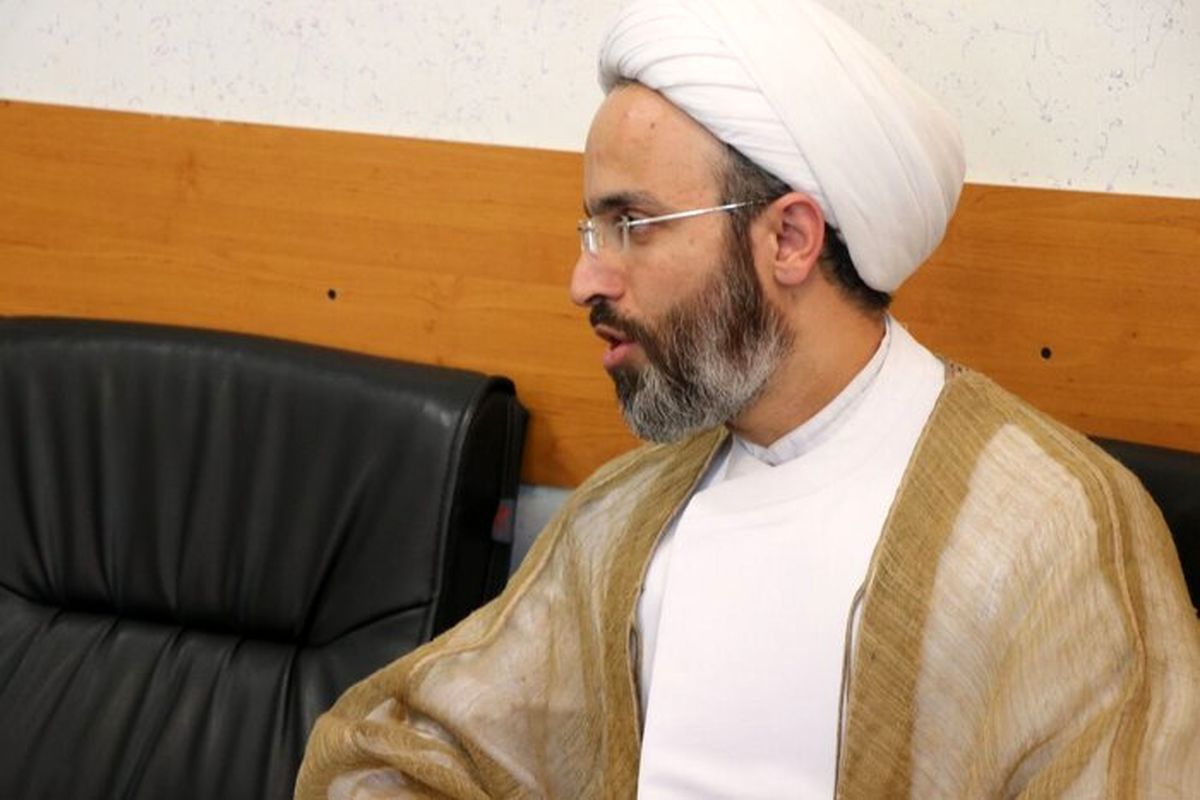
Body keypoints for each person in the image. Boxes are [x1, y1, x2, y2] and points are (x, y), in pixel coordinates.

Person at [296, 1, 1200, 797]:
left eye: (630, 224)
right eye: (591, 228)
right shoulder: (627, 514)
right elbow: (410, 752)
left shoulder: (1054, 531)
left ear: (791, 239)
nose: (584, 278)